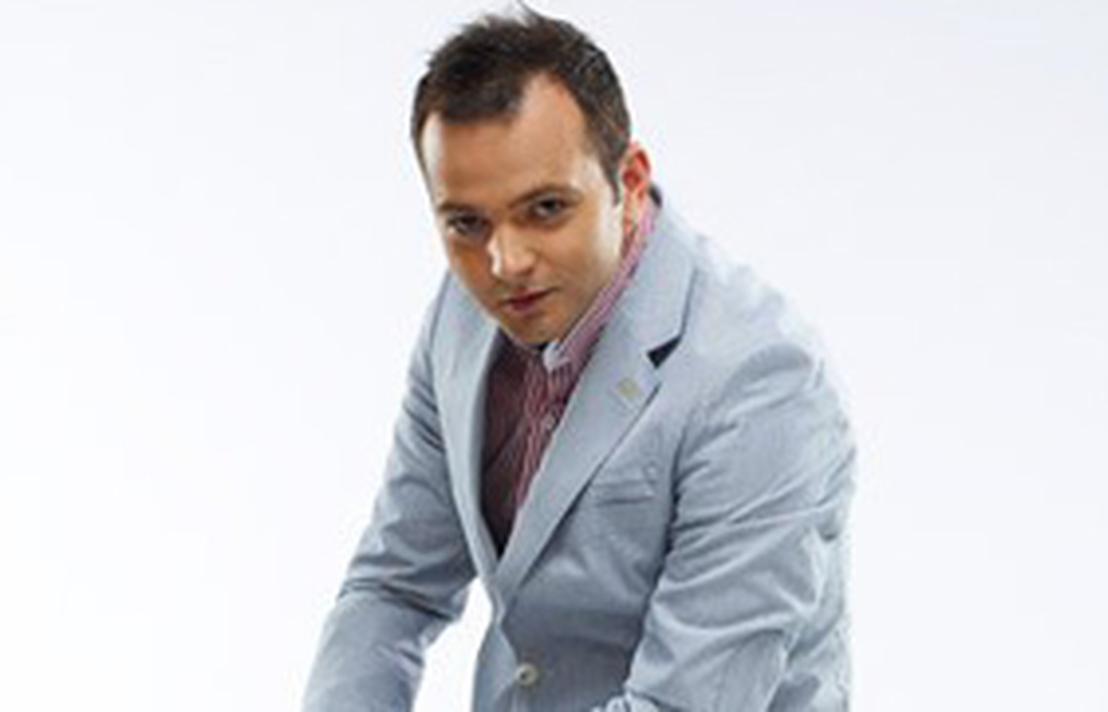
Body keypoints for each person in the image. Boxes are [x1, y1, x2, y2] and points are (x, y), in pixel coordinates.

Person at [303, 8, 855, 712]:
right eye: (466, 223)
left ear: (629, 182)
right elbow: (393, 588)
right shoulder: (462, 312)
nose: (504, 263)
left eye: (545, 208)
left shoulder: (762, 382)